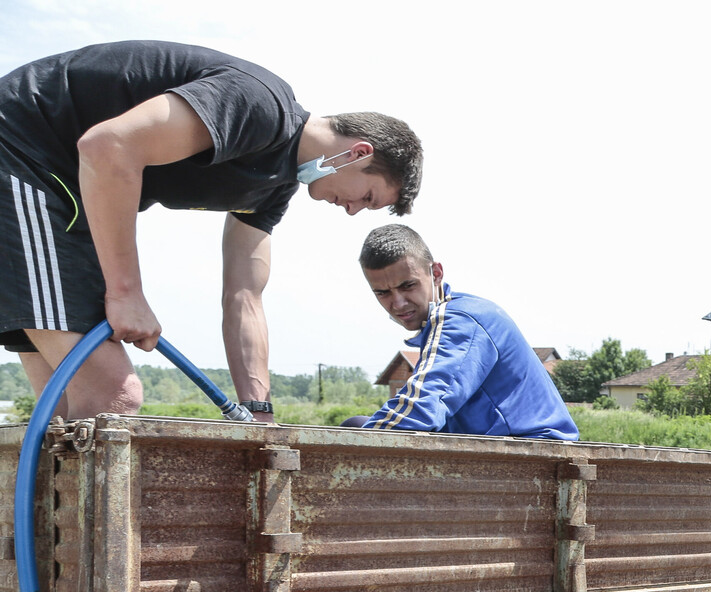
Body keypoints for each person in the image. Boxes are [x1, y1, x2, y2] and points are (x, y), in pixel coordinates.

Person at [0, 40, 423, 421]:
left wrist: (258, 412)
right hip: (22, 150)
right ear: (358, 152)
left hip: (57, 200)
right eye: (367, 197)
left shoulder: (274, 188)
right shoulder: (262, 104)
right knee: (113, 397)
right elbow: (108, 146)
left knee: (62, 412)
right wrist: (125, 292)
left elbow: (244, 295)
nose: (352, 211)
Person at [356, 224, 577, 439]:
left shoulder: (459, 320)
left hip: (532, 449)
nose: (398, 303)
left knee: (358, 437)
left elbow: (423, 405)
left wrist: (347, 446)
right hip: (500, 442)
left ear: (436, 273)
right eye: (383, 293)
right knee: (355, 424)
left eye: (408, 286)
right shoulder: (442, 321)